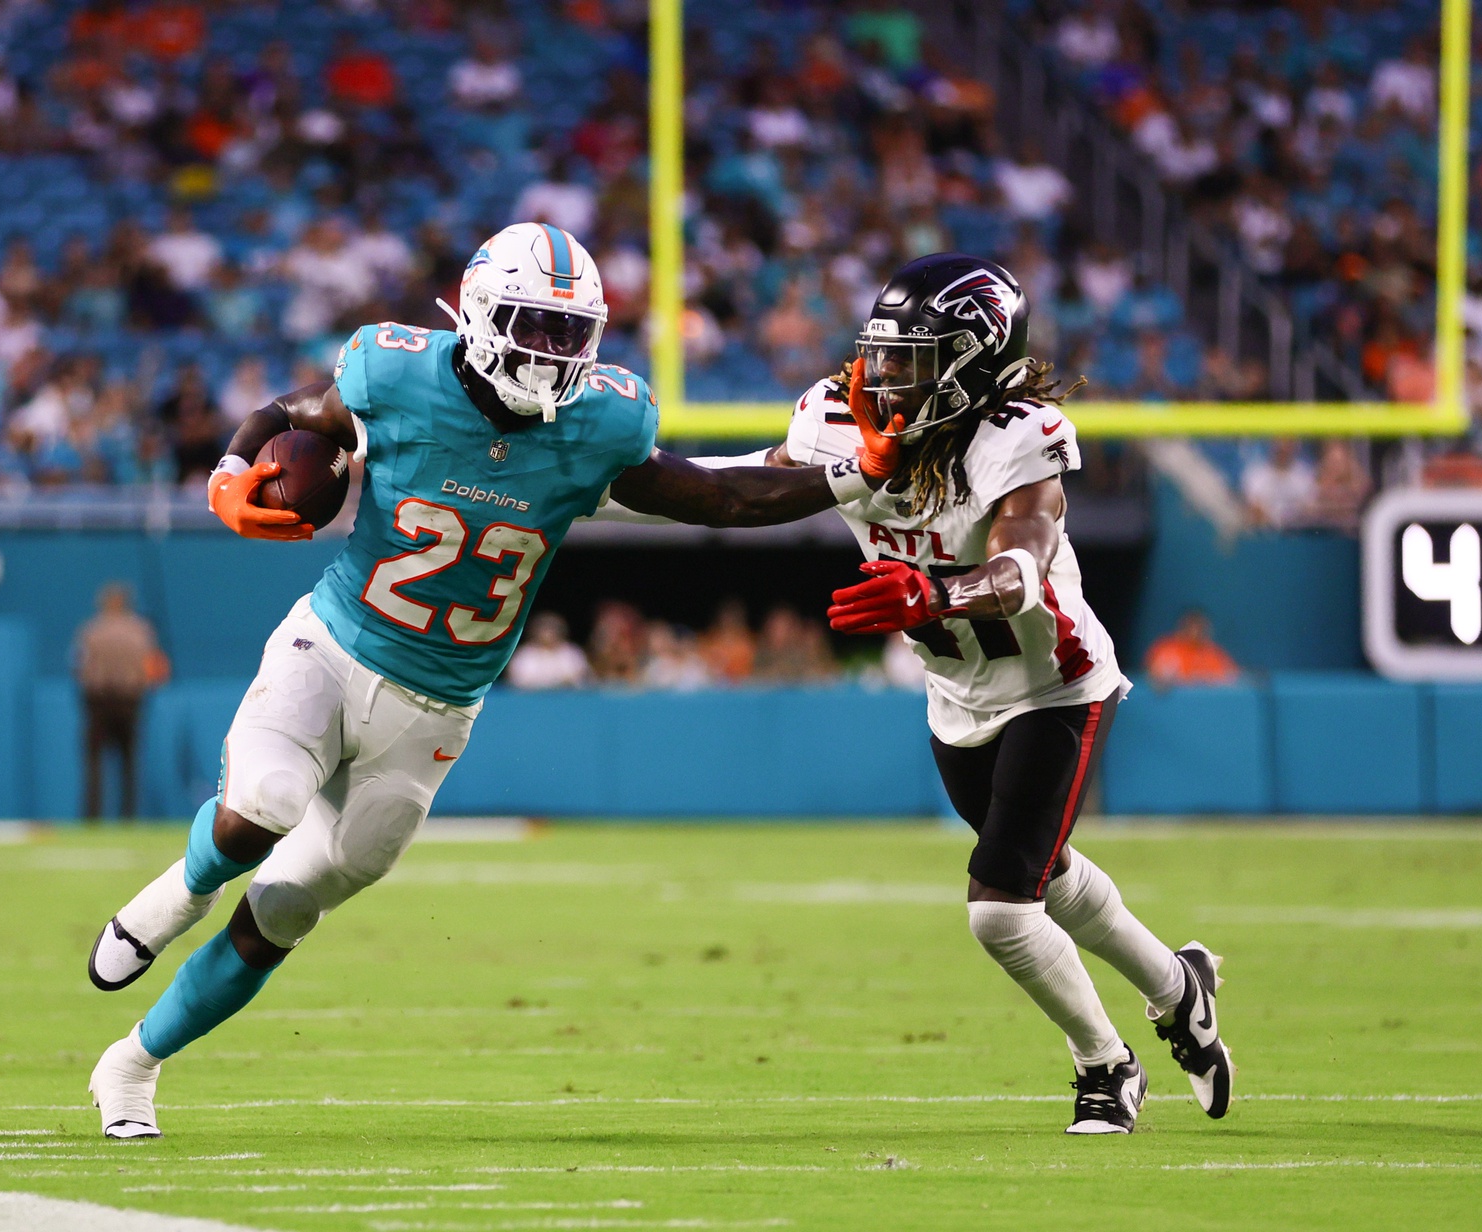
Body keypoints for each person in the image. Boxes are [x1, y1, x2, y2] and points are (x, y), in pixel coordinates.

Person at [83, 222, 903, 1138]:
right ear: (475, 313)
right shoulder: (393, 373)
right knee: (265, 802)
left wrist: (850, 475)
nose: (551, 354)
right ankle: (178, 896)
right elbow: (294, 411)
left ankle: (132, 1065)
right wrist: (235, 465)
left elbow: (718, 499)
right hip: (333, 644)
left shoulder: (600, 425)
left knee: (288, 907)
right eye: (531, 325)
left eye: (569, 334)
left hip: (438, 707)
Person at [659, 254, 1233, 1135]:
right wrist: (587, 489)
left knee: (1003, 908)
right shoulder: (836, 420)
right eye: (883, 355)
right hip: (954, 694)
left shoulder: (1019, 434)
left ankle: (1105, 1068)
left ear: (975, 361)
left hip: (1056, 685)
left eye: (914, 359)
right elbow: (731, 487)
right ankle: (1176, 987)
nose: (886, 378)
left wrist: (937, 594)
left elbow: (1021, 561)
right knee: (1053, 877)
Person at [74, 583, 169, 820]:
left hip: (99, 702)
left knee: (94, 763)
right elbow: (153, 669)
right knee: (129, 763)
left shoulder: (92, 630)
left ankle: (93, 816)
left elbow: (81, 668)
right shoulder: (141, 631)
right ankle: (128, 816)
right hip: (130, 701)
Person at [1143, 610, 1241, 689]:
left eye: (1201, 627)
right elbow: (1156, 682)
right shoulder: (1166, 649)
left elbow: (1232, 680)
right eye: (1193, 626)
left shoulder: (1214, 653)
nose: (1197, 631)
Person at [505, 612, 590, 688]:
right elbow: (517, 682)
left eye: (552, 628)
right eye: (544, 628)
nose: (548, 634)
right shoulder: (523, 654)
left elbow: (580, 680)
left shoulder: (572, 652)